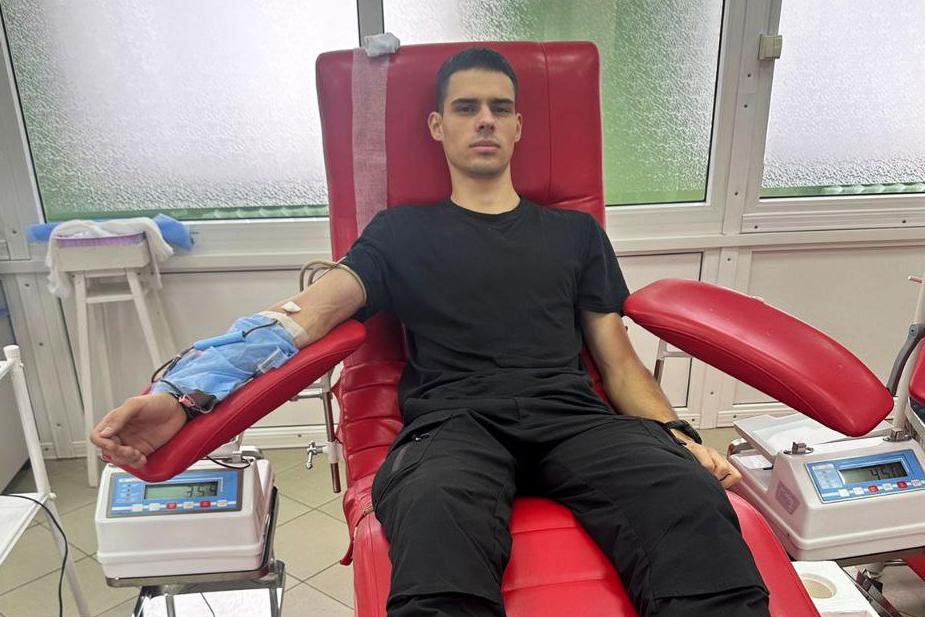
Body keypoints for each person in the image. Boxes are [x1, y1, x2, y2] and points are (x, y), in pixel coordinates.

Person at [91, 48, 770, 617]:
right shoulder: (399, 233)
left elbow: (618, 364)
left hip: (574, 419)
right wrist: (184, 394)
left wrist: (677, 435)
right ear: (438, 126)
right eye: (467, 107)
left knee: (687, 503)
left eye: (499, 107)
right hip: (453, 424)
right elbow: (307, 314)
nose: (485, 119)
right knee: (434, 519)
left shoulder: (575, 235)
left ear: (518, 127)